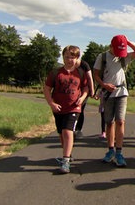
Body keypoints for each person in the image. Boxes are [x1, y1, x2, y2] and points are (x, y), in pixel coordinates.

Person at [93, 35, 135, 167]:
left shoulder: (124, 57)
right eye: (117, 49)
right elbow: (96, 74)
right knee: (109, 123)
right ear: (111, 46)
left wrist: (128, 43)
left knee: (120, 121)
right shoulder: (102, 57)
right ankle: (110, 151)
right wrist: (104, 85)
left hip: (122, 93)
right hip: (108, 93)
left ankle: (119, 153)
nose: (119, 54)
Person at [43, 45, 89, 174]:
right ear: (63, 57)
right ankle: (67, 153)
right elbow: (46, 89)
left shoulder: (80, 73)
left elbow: (86, 88)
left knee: (67, 131)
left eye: (72, 57)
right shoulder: (56, 73)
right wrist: (51, 103)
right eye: (67, 57)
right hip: (58, 107)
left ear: (77, 58)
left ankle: (65, 161)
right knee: (61, 133)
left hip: (74, 108)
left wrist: (83, 97)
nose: (69, 60)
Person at [74, 58, 95, 139]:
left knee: (80, 109)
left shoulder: (84, 65)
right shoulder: (71, 64)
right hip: (74, 89)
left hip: (84, 90)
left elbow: (90, 78)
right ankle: (70, 128)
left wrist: (92, 91)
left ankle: (78, 129)